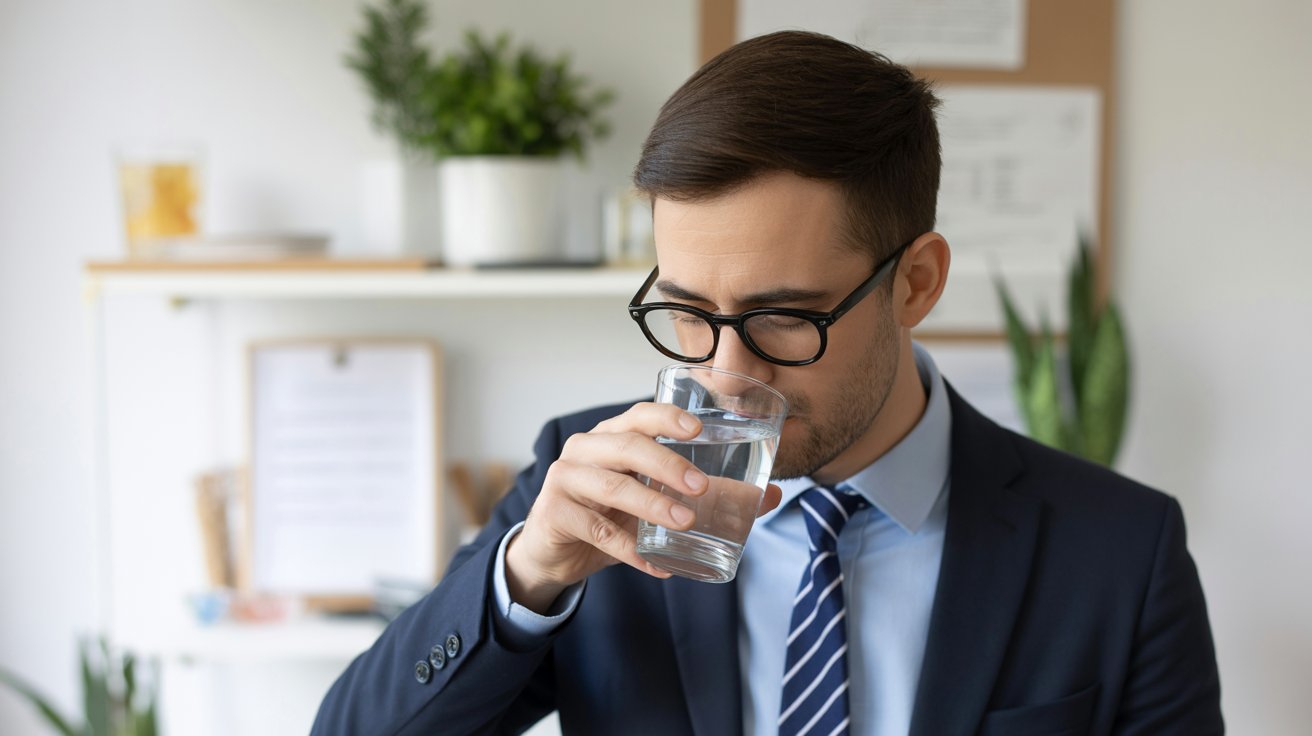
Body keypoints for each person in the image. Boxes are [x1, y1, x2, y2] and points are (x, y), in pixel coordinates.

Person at [312, 31, 1223, 736]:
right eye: (688, 314)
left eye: (785, 317)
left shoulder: (1120, 555)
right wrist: (530, 575)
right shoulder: (591, 483)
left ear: (917, 283)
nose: (725, 376)